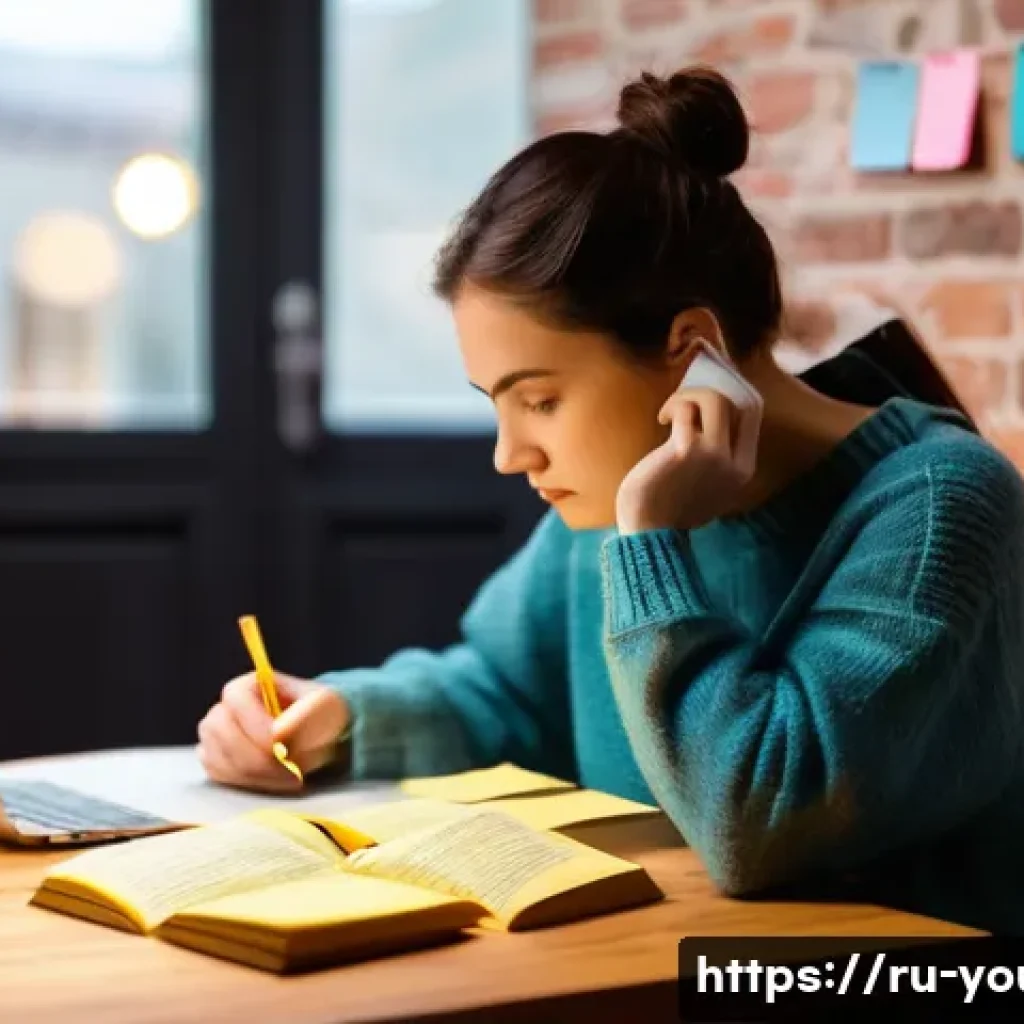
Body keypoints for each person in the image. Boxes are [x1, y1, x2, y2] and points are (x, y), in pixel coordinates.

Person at [197, 66, 1024, 934]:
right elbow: (504, 689)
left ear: (693, 349)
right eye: (497, 404)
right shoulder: (597, 521)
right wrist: (346, 717)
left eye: (540, 399)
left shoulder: (939, 509)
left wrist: (651, 543)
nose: (511, 455)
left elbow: (756, 823)